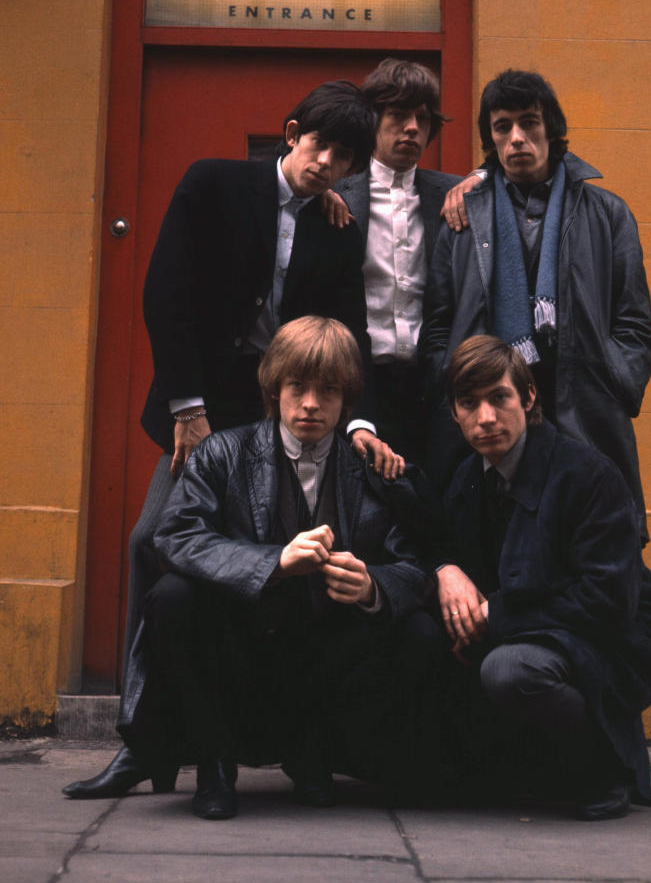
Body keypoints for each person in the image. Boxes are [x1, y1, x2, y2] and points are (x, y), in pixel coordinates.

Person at [64, 82, 382, 801]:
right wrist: (187, 408)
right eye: (320, 146)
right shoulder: (215, 183)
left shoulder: (336, 223)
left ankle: (240, 741)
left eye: (344, 157)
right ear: (291, 131)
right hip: (200, 408)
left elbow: (349, 332)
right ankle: (143, 744)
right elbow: (164, 293)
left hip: (280, 422)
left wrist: (359, 423)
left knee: (255, 568)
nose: (328, 164)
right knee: (154, 542)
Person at [122, 317, 441, 819]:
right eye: (298, 387)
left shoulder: (371, 467)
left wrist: (373, 587)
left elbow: (415, 565)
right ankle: (214, 764)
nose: (311, 404)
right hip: (240, 647)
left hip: (325, 655)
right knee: (172, 598)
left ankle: (320, 753)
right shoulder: (223, 453)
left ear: (348, 398)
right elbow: (174, 536)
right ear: (275, 387)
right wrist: (273, 562)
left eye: (328, 390)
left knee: (416, 629)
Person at [437, 334, 651, 820]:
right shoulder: (468, 479)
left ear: (528, 396)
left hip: (612, 639)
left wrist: (493, 616)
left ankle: (602, 769)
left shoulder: (586, 474)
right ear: (454, 414)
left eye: (499, 398)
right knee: (424, 637)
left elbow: (607, 600)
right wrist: (446, 571)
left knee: (510, 670)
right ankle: (511, 767)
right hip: (535, 629)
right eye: (469, 403)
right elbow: (432, 538)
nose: (486, 418)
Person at [421, 70, 651, 542]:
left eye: (529, 123)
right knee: (487, 554)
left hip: (582, 412)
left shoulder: (607, 214)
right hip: (487, 417)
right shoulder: (463, 215)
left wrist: (615, 379)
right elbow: (437, 324)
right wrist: (449, 383)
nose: (516, 138)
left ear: (551, 127)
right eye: (502, 126)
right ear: (490, 138)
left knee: (591, 547)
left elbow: (635, 326)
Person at [332, 59, 462, 464]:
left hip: (434, 384)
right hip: (359, 381)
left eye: (422, 119)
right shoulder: (336, 194)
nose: (411, 128)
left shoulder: (455, 193)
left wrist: (483, 174)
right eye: (398, 115)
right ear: (372, 120)